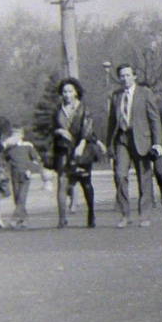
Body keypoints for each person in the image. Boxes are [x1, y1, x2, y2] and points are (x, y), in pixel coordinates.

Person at [105, 63, 162, 228]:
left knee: (144, 178)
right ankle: (125, 214)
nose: (125, 79)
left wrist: (157, 143)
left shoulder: (145, 93)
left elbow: (154, 119)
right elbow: (111, 121)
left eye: (128, 75)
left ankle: (144, 215)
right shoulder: (116, 96)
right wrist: (109, 144)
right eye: (122, 76)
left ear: (134, 76)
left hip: (141, 140)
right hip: (122, 140)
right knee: (120, 175)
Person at [52, 77, 103, 228]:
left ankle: (91, 213)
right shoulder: (57, 111)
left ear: (76, 92)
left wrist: (81, 145)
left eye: (70, 91)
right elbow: (51, 129)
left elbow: (87, 131)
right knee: (62, 181)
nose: (67, 95)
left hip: (81, 149)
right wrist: (59, 130)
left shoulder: (84, 109)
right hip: (63, 150)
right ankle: (62, 218)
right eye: (64, 92)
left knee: (85, 183)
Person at [3, 127, 43, 229]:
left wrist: (31, 170)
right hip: (14, 175)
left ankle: (14, 219)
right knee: (17, 197)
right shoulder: (9, 148)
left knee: (21, 197)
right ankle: (23, 219)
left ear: (22, 135)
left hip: (25, 174)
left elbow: (36, 160)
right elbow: (5, 160)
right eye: (13, 135)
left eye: (17, 135)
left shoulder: (28, 146)